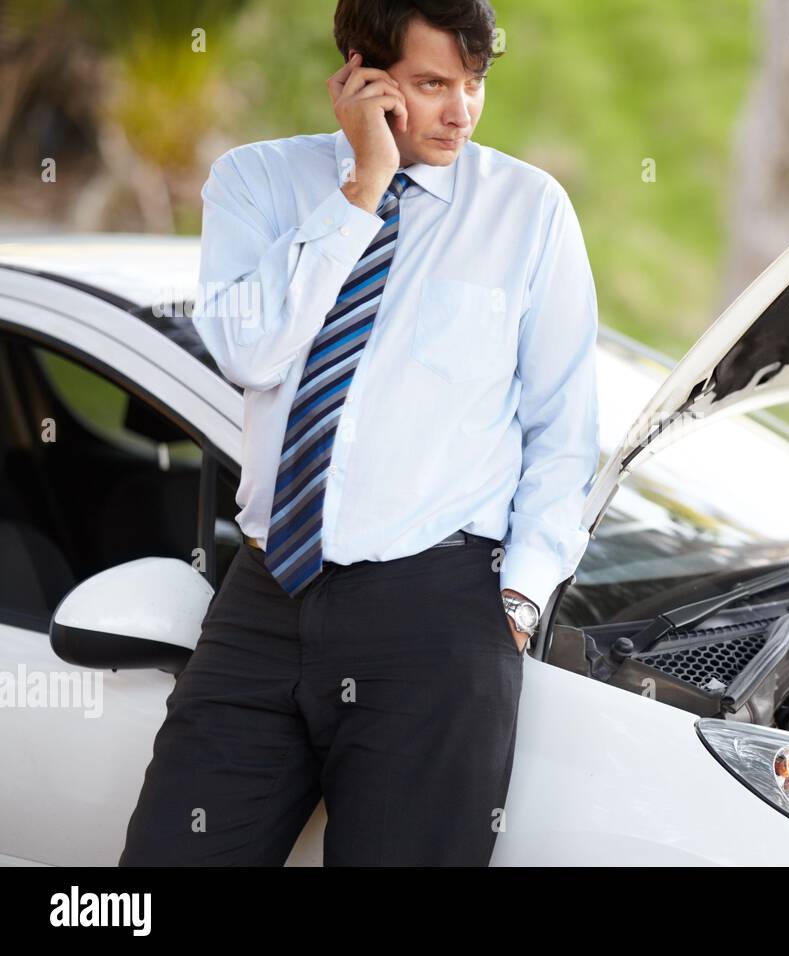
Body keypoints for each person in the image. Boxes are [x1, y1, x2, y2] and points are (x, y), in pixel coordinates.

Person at [119, 0, 599, 866]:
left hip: (439, 616)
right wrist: (361, 191)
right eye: (430, 85)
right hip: (268, 596)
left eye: (475, 83)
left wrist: (518, 602)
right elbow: (249, 349)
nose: (461, 111)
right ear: (360, 76)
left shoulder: (528, 212)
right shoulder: (255, 183)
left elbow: (564, 430)